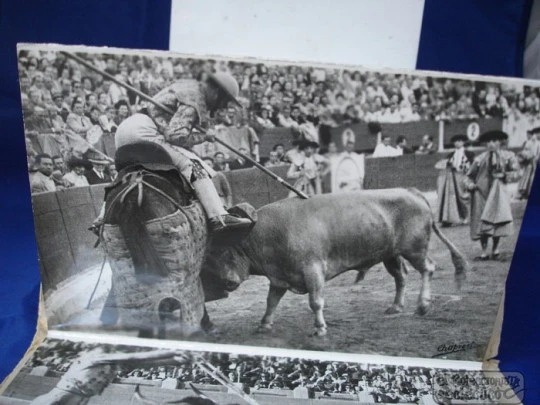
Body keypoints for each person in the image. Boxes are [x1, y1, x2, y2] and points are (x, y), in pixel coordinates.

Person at [113, 73, 251, 232]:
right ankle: (218, 216)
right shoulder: (194, 100)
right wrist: (203, 137)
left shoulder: (187, 84)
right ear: (216, 93)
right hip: (144, 132)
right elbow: (175, 136)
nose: (223, 107)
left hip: (125, 130)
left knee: (126, 173)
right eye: (225, 101)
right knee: (193, 165)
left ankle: (102, 218)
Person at [29, 347, 186, 405]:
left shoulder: (111, 362)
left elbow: (141, 363)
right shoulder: (96, 356)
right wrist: (172, 352)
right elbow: (136, 359)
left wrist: (176, 360)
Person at [465, 130, 520, 260]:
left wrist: (505, 175)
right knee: (481, 221)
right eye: (489, 141)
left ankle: (495, 249)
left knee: (497, 220)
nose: (491, 144)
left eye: (494, 141)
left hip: (499, 193)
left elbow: (517, 172)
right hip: (481, 193)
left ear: (500, 142)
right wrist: (470, 185)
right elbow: (468, 177)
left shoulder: (508, 156)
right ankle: (484, 251)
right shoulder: (479, 159)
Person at [437, 135, 475, 227]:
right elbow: (444, 165)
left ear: (463, 142)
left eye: (459, 141)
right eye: (455, 141)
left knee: (464, 197)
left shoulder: (469, 154)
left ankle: (468, 216)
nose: (457, 143)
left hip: (464, 176)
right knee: (455, 198)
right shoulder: (451, 155)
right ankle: (460, 217)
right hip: (453, 178)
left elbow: (472, 166)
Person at [517, 127, 540, 199]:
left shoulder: (537, 143)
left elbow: (537, 153)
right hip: (531, 162)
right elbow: (527, 151)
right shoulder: (529, 142)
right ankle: (526, 192)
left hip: (535, 161)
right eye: (536, 133)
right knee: (528, 176)